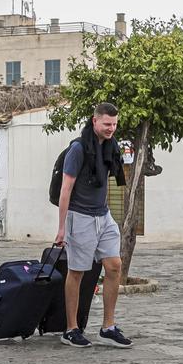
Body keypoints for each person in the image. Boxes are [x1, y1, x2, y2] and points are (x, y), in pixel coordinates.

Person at [54, 102, 131, 349]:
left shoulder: (110, 146)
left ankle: (107, 327)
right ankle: (71, 329)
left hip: (103, 215)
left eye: (115, 124)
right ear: (94, 121)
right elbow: (66, 190)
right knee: (77, 272)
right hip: (80, 216)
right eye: (107, 124)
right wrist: (62, 228)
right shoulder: (78, 149)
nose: (111, 129)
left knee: (114, 266)